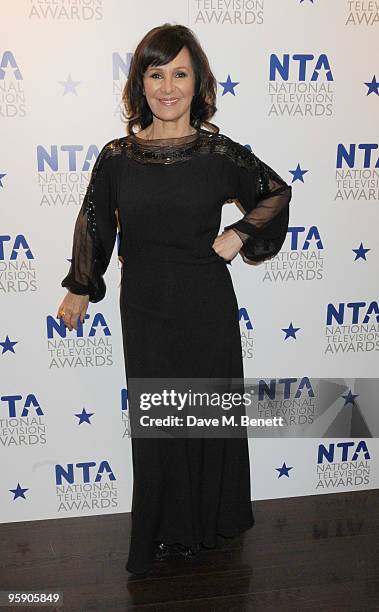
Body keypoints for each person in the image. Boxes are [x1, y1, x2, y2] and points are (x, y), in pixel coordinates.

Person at [56, 23, 292, 576]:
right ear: (141, 83)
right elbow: (94, 223)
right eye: (156, 74)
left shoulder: (215, 150)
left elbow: (276, 193)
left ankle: (211, 526)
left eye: (179, 74)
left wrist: (238, 234)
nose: (167, 86)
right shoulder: (118, 156)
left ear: (197, 81)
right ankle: (167, 534)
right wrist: (80, 286)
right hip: (146, 306)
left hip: (206, 301)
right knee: (159, 419)